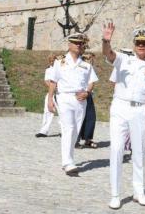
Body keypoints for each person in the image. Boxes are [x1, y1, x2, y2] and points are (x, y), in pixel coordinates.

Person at [102, 23, 145, 210]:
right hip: (120, 107)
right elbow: (108, 54)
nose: (141, 46)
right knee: (117, 149)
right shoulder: (124, 59)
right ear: (134, 44)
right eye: (138, 42)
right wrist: (106, 40)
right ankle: (115, 194)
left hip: (140, 109)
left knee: (139, 152)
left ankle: (139, 191)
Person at [47, 33, 98, 176]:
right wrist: (50, 99)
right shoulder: (60, 61)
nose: (79, 45)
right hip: (64, 98)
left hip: (80, 100)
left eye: (81, 43)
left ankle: (68, 159)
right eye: (76, 43)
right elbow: (53, 81)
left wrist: (88, 92)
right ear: (69, 44)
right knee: (68, 128)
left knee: (75, 130)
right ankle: (68, 162)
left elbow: (91, 81)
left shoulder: (86, 63)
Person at [77, 52, 98, 148]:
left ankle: (87, 139)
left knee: (90, 117)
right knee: (77, 118)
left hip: (87, 94)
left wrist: (88, 92)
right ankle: (75, 140)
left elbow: (92, 81)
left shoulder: (88, 68)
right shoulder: (78, 66)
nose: (92, 61)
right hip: (77, 95)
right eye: (90, 59)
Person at [36, 54, 59, 138]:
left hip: (61, 93)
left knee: (63, 112)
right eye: (51, 61)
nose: (52, 62)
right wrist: (53, 87)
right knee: (47, 111)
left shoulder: (61, 69)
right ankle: (43, 131)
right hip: (51, 92)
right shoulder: (48, 70)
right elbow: (46, 81)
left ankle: (65, 131)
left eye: (53, 60)